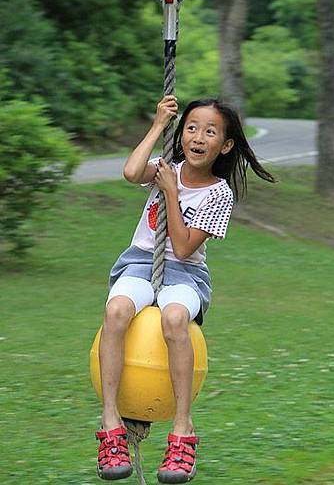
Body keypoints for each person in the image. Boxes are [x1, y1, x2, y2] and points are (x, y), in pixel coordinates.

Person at [95, 95, 276, 483]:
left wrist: (172, 193)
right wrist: (160, 124)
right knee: (115, 312)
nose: (197, 136)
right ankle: (110, 423)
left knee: (175, 318)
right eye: (191, 127)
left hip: (186, 274)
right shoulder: (165, 167)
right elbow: (129, 172)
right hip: (140, 262)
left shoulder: (219, 194)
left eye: (210, 131)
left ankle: (182, 430)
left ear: (225, 146)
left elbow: (181, 248)